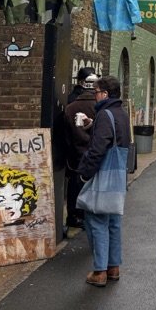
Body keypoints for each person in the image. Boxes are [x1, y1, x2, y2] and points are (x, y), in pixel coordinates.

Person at [77, 75, 132, 287]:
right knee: (113, 222)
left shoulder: (104, 114)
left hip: (103, 173)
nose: (95, 96)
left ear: (105, 94)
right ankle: (113, 267)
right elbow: (116, 137)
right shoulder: (121, 113)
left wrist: (85, 173)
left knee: (96, 219)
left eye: (97, 92)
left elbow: (98, 148)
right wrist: (93, 125)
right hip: (118, 174)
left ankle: (99, 271)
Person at [63, 71, 100, 232]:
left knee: (74, 186)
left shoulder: (70, 107)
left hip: (75, 155)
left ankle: (73, 215)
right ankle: (87, 216)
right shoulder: (101, 109)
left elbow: (64, 134)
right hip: (93, 155)